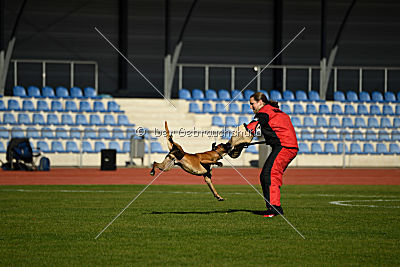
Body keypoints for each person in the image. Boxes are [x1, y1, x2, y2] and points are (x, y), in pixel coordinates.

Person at [244, 92, 298, 217]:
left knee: (270, 174)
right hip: (286, 146)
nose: (251, 107)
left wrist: (236, 141)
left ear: (260, 102)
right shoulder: (275, 111)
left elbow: (252, 127)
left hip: (285, 147)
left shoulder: (265, 112)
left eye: (252, 104)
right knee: (266, 175)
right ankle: (272, 207)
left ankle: (274, 208)